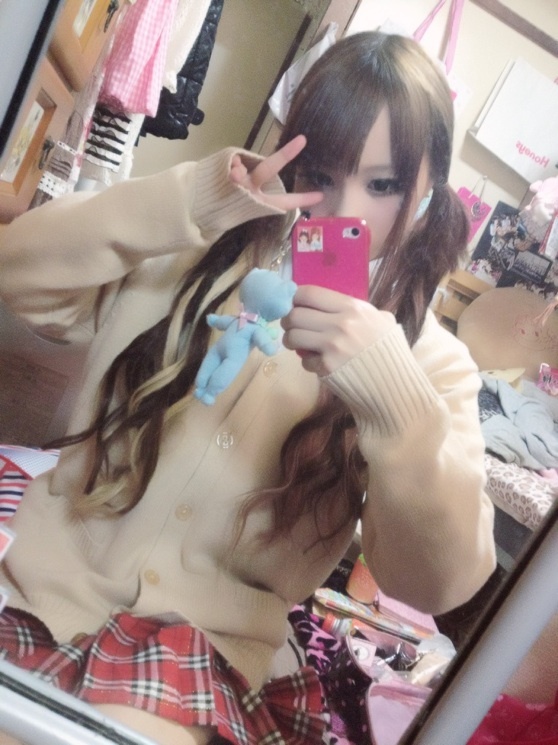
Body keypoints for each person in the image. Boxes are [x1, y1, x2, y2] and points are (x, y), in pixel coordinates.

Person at [0, 31, 496, 745]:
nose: (343, 208)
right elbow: (17, 274)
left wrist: (391, 397)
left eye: (383, 184)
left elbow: (436, 583)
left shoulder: (432, 363)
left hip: (204, 654)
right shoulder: (194, 239)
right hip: (41, 584)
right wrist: (194, 199)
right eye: (322, 171)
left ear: (427, 192)